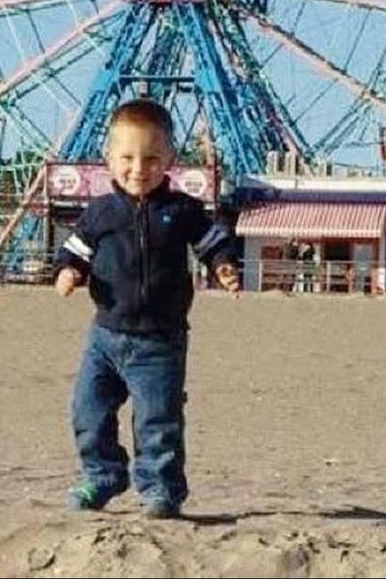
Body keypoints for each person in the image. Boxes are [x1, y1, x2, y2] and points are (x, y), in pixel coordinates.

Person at [54, 99, 240, 519]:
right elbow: (75, 249)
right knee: (88, 409)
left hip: (161, 339)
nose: (139, 168)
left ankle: (161, 490)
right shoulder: (100, 212)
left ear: (171, 160)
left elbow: (213, 243)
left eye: (152, 158)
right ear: (108, 159)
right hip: (105, 335)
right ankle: (102, 476)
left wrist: (224, 266)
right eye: (128, 158)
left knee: (158, 421)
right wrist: (68, 272)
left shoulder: (181, 211)